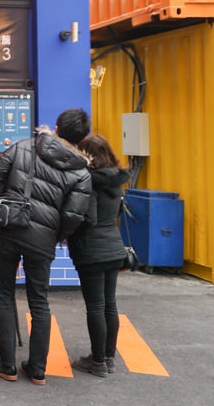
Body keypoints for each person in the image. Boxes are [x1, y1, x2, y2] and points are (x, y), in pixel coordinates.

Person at [0, 108, 92, 385]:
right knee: (39, 301)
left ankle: (6, 365)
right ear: (82, 138)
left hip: (9, 230)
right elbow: (73, 216)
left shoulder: (23, 146)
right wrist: (57, 234)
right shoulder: (81, 171)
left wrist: (9, 204)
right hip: (43, 240)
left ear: (56, 128)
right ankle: (37, 369)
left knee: (5, 296)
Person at [68, 134, 131, 378]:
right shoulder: (115, 180)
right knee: (109, 304)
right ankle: (108, 358)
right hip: (114, 248)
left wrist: (69, 229)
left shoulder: (89, 181)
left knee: (95, 305)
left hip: (92, 250)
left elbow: (88, 220)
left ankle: (96, 362)